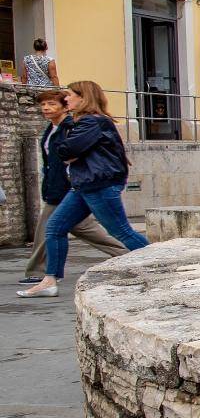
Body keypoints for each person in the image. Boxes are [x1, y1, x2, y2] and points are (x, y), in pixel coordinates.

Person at [18, 81, 149, 299]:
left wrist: (68, 150)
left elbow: (66, 150)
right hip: (84, 184)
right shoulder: (82, 123)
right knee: (55, 228)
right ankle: (49, 281)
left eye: (69, 95)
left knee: (121, 231)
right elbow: (67, 153)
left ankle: (161, 265)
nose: (66, 99)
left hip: (99, 184)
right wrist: (69, 151)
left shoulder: (92, 122)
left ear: (83, 97)